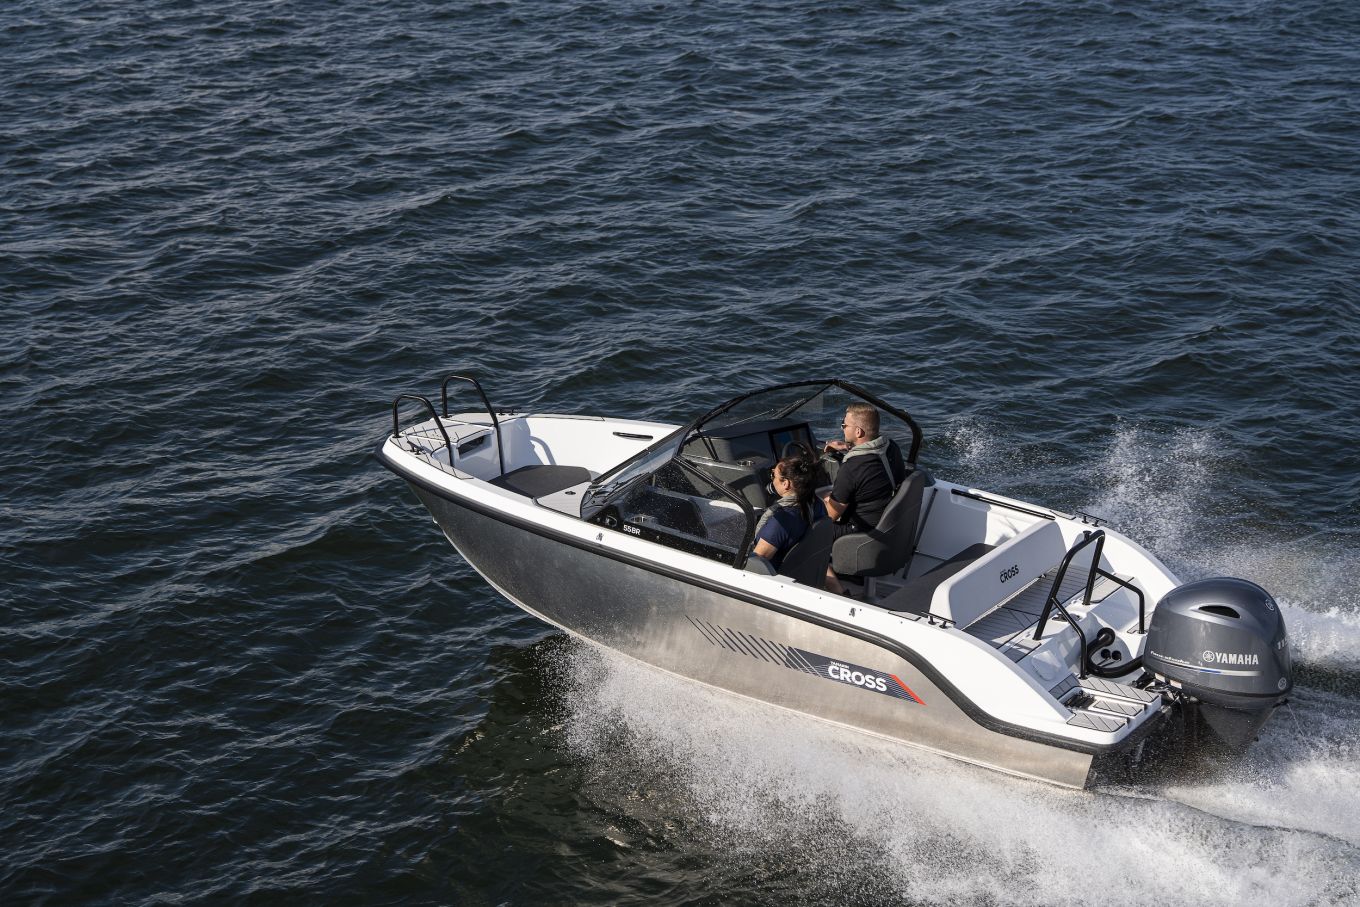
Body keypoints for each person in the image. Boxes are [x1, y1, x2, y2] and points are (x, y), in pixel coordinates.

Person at [821, 401, 907, 537]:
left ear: (858, 431)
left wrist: (825, 501)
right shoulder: (892, 448)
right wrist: (848, 447)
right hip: (886, 522)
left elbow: (830, 516)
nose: (842, 428)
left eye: (844, 425)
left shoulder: (851, 468)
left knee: (812, 527)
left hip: (861, 532)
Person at [748, 454, 826, 571]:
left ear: (785, 483)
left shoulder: (781, 521)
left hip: (775, 576)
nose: (772, 480)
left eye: (773, 476)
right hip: (803, 572)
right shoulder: (817, 505)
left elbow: (756, 565)